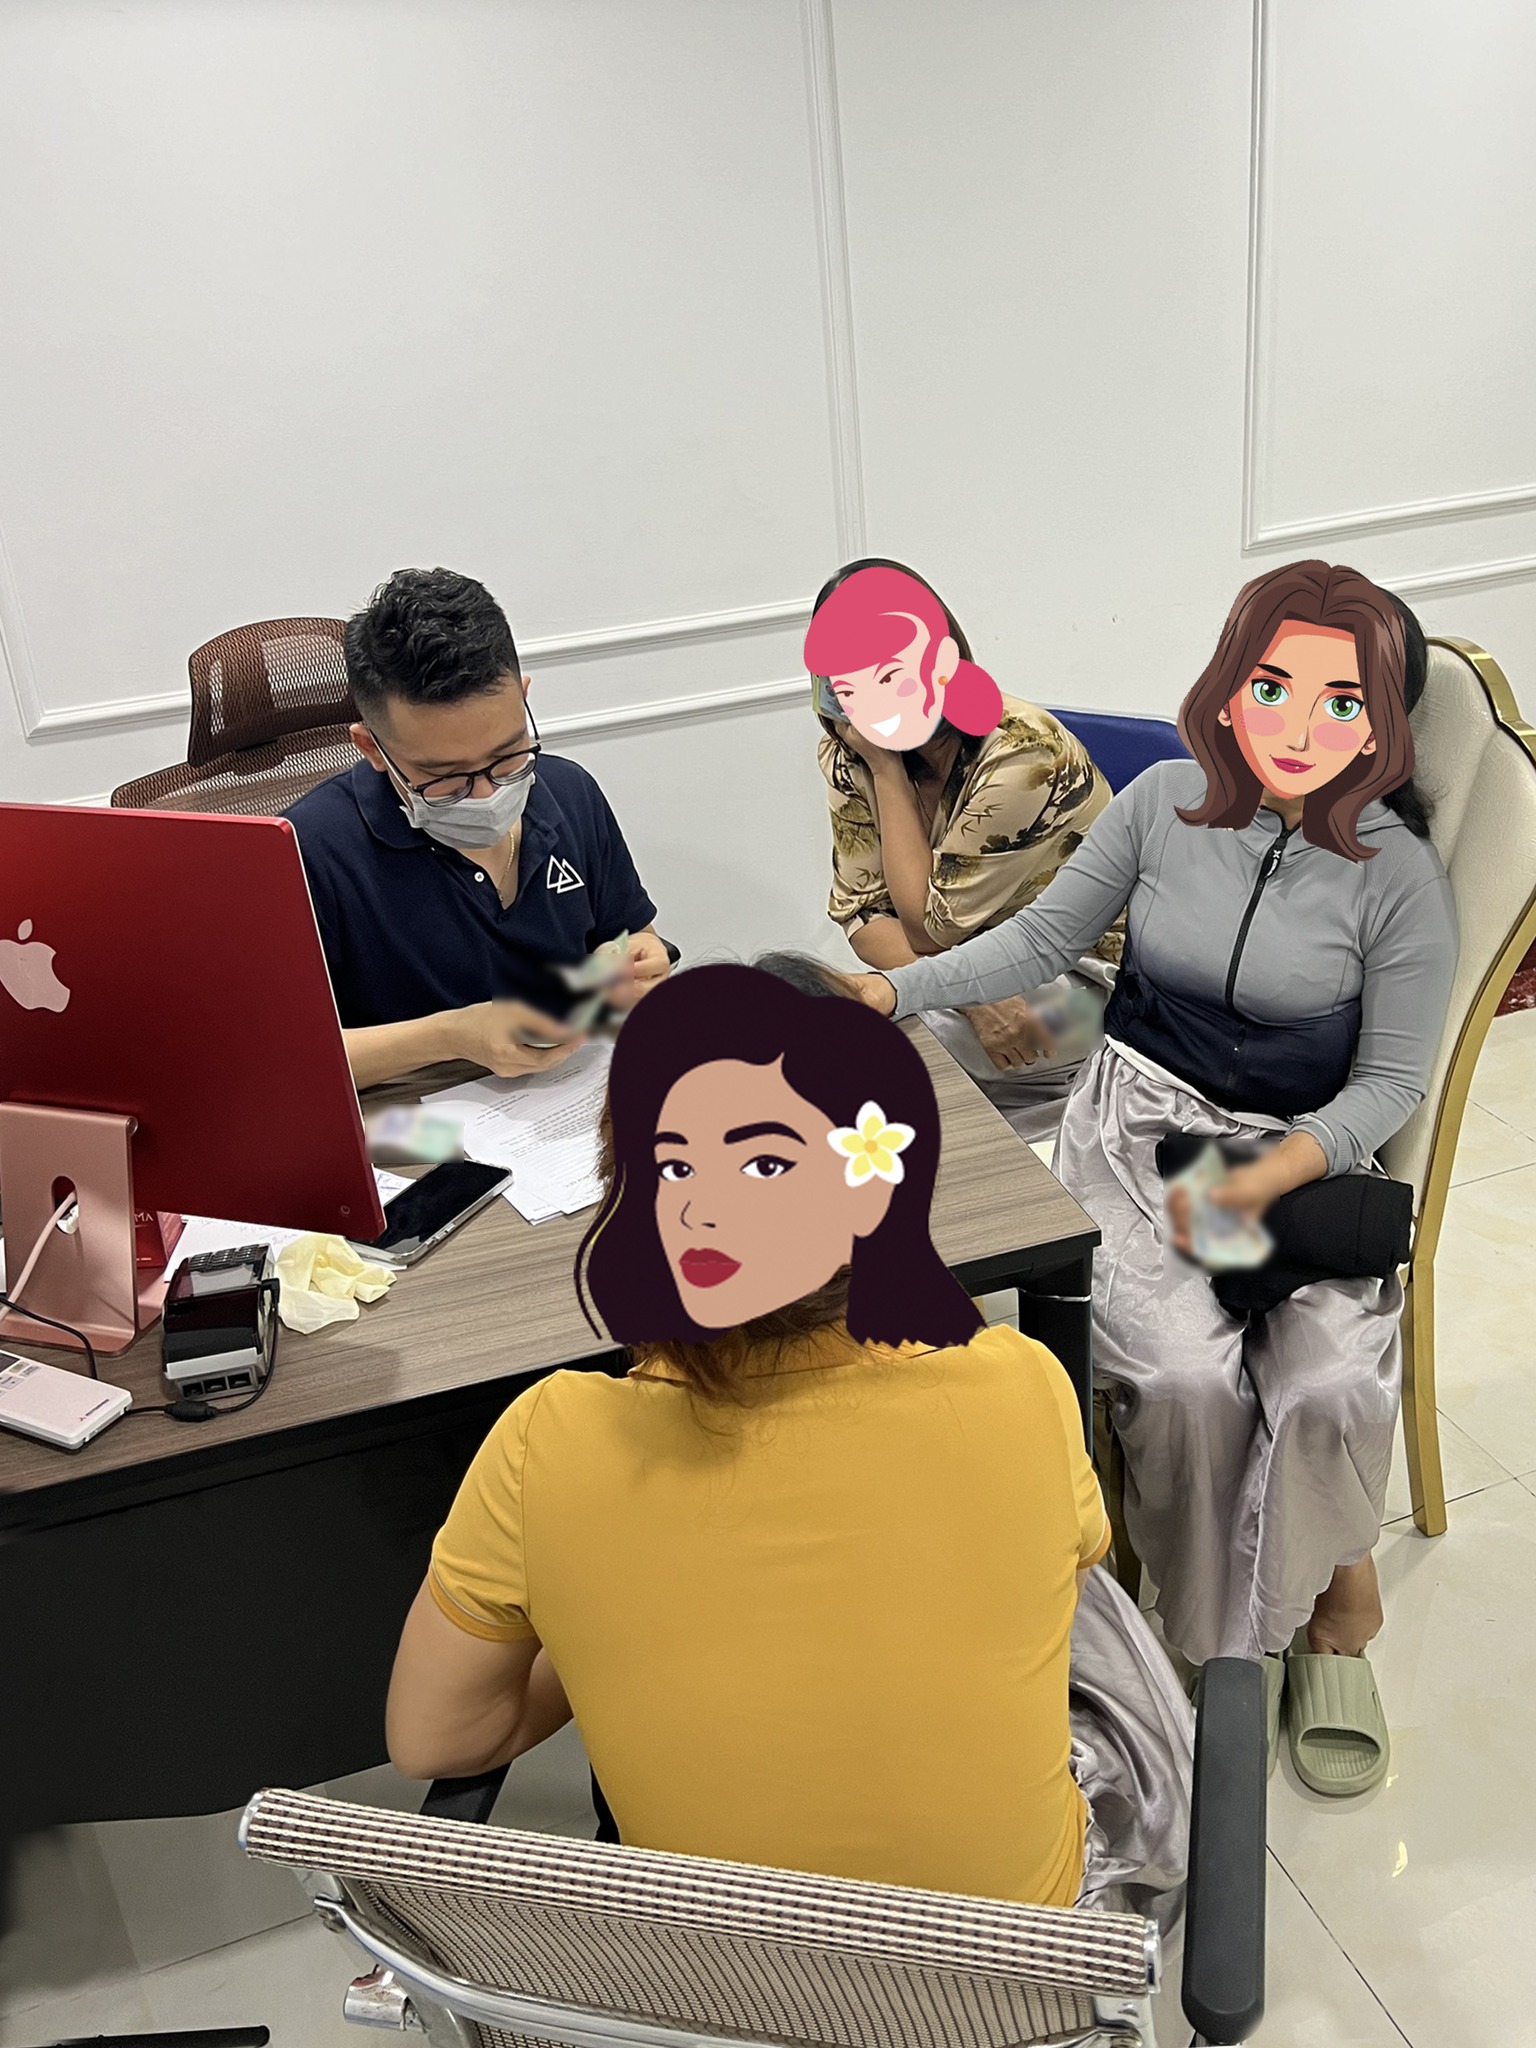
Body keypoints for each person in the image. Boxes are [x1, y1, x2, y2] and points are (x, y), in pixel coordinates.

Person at [386, 965, 1192, 1924]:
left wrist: (594, 1613)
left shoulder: (546, 1442)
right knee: (1086, 1601)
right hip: (1010, 1978)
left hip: (722, 1984)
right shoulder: (1019, 1386)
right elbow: (1065, 1574)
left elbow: (435, 1740)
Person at [847, 562, 1457, 1796]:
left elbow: (1393, 1081)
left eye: (1343, 701)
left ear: (1383, 727)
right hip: (1141, 1128)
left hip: (1298, 1150)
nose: (1296, 724)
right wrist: (889, 988)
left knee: (1331, 1379)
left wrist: (1282, 1164)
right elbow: (1037, 941)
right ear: (1229, 685)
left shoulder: (1398, 875)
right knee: (1181, 1380)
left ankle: (1329, 1613)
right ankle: (1225, 1640)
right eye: (1272, 684)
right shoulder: (1163, 803)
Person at [286, 567, 672, 1089]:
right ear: (372, 748)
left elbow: (630, 937)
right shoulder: (307, 851)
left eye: (507, 756)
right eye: (445, 777)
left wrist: (634, 966)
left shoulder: (570, 791)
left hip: (569, 1090)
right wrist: (451, 1035)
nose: (488, 795)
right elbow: (282, 1062)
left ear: (524, 701)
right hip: (409, 1116)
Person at [807, 559, 1119, 1142]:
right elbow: (862, 914)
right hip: (973, 976)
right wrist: (973, 999)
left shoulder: (1022, 753)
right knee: (825, 1029)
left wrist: (885, 770)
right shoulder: (851, 750)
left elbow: (929, 929)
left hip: (1088, 982)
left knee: (877, 1059)